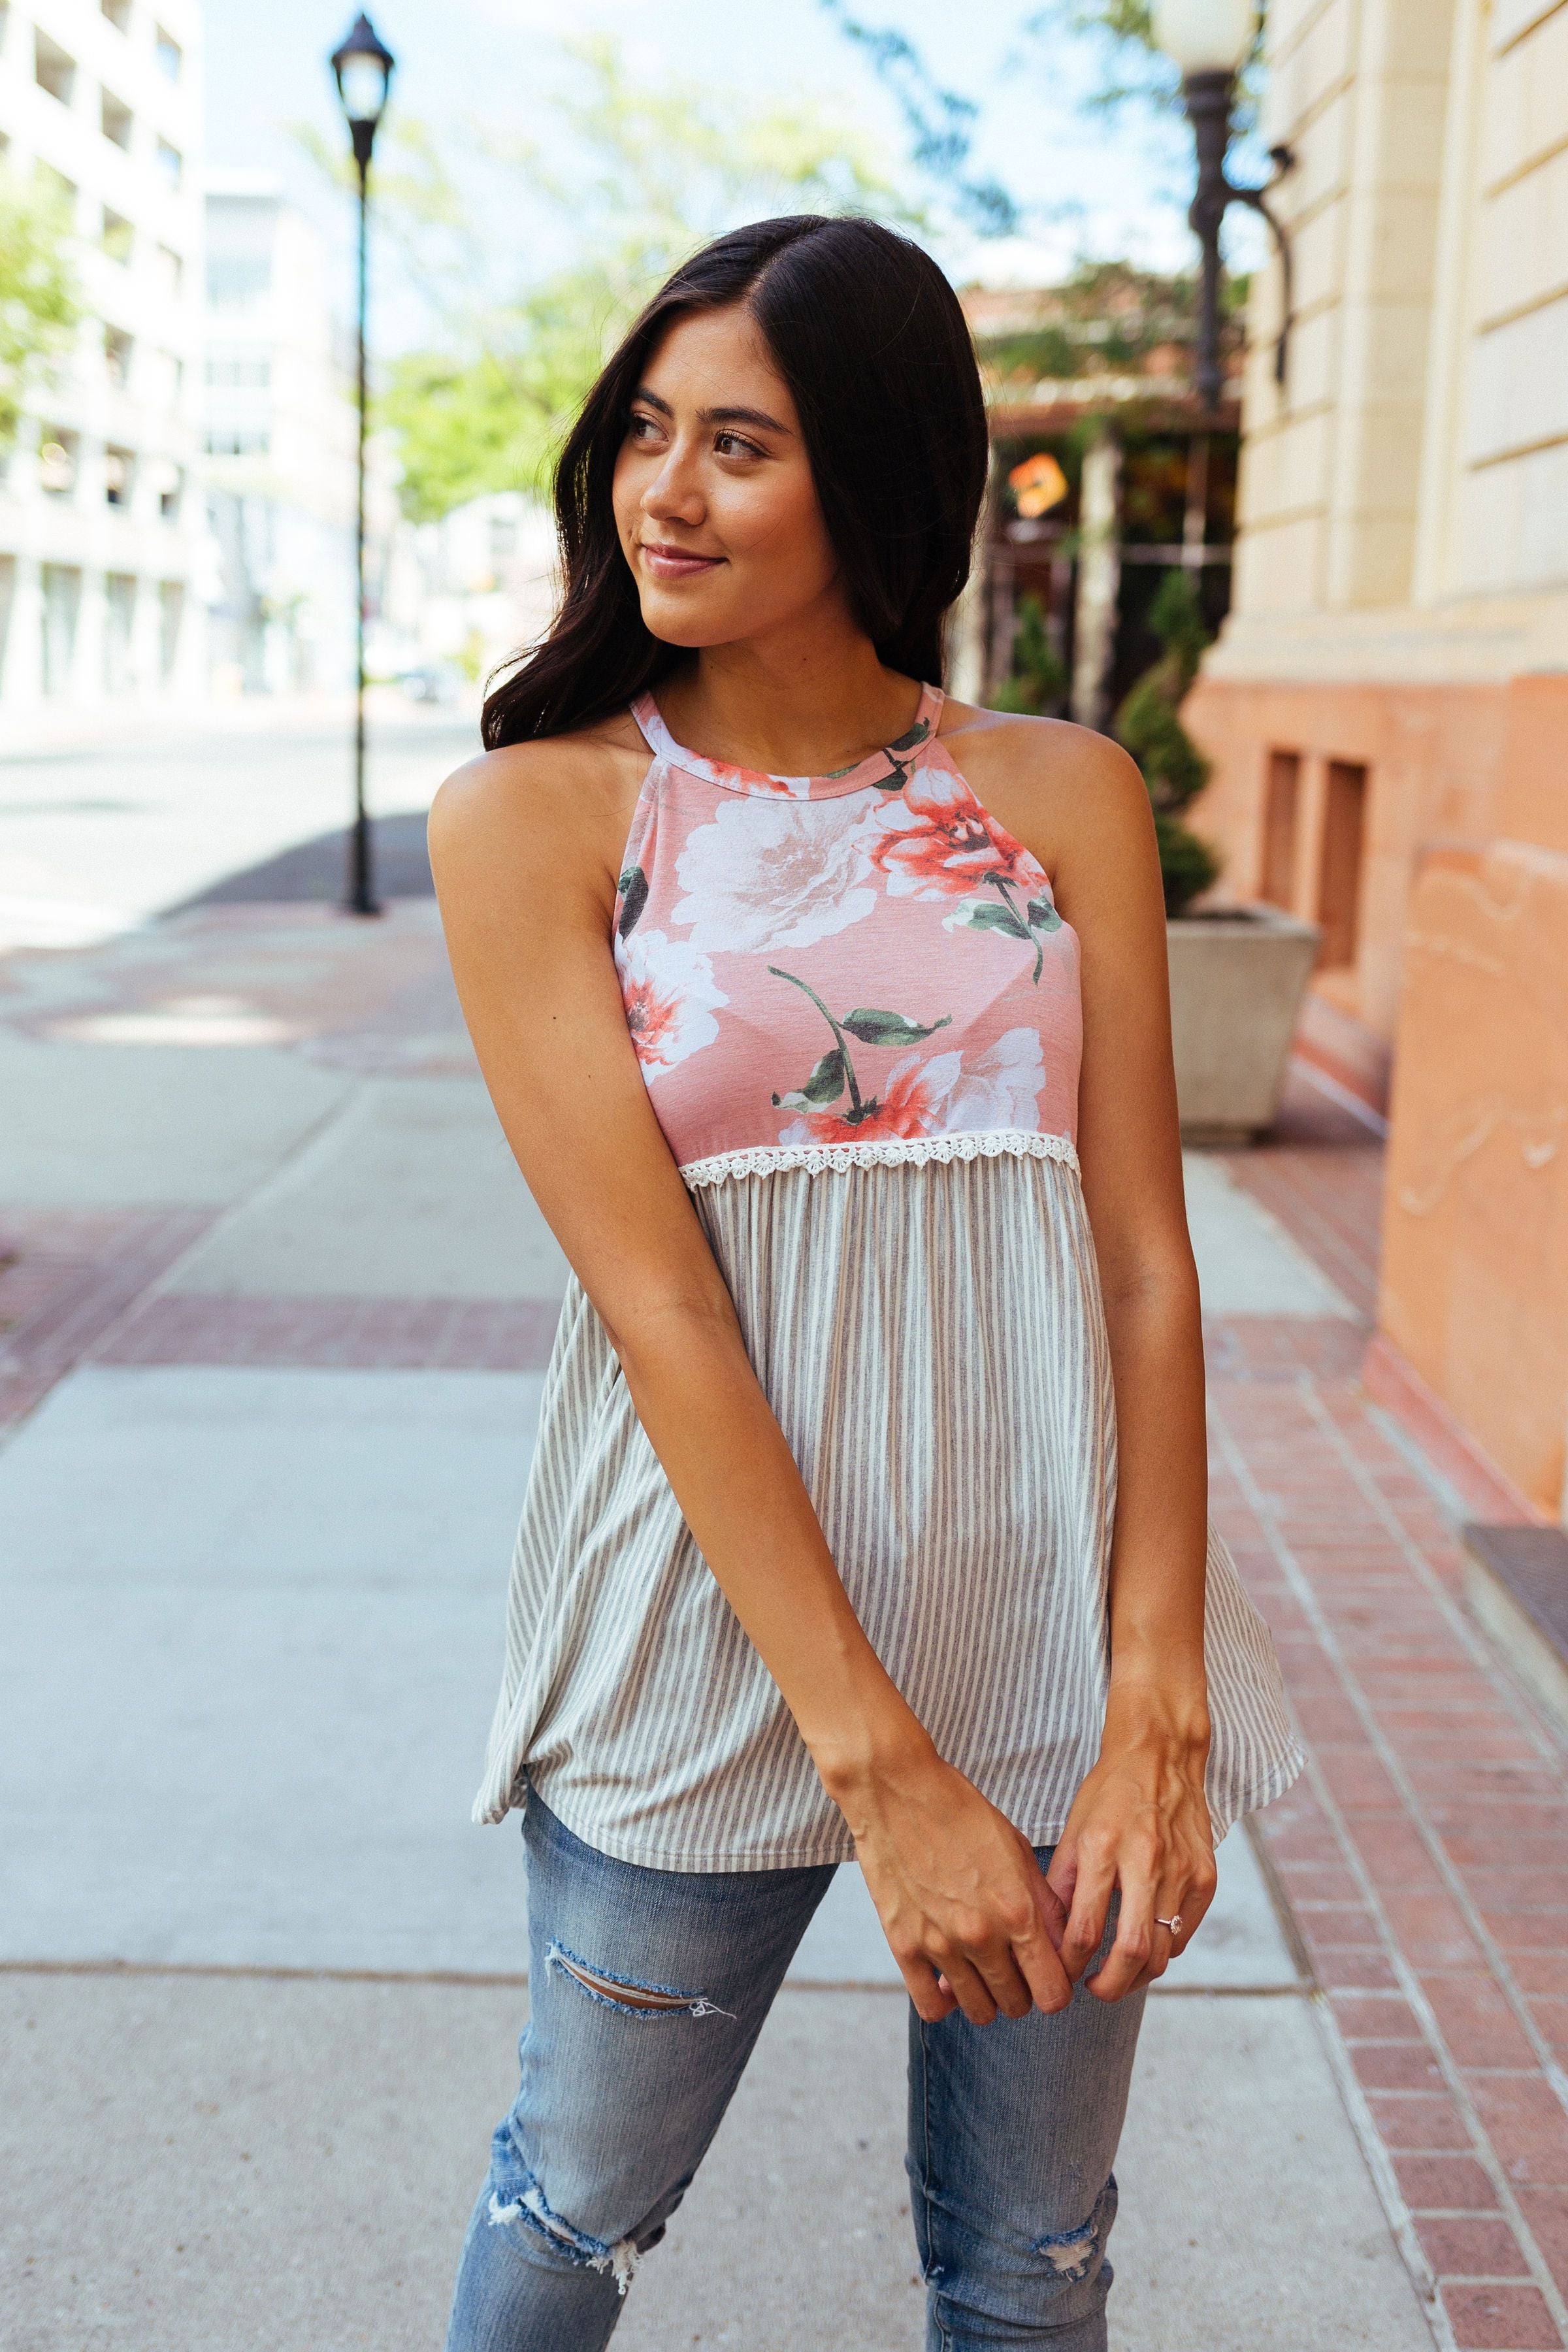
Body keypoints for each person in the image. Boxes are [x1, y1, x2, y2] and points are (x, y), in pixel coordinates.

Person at [429, 212, 1301, 2352]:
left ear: (880, 476)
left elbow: (1144, 1273)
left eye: (741, 441)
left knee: (1032, 2267)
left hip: (1041, 1633)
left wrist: (1155, 1691)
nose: (665, 487)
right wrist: (879, 1771)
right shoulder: (543, 818)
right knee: (574, 2221)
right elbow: (668, 1312)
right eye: (646, 429)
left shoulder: (1059, 796)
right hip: (706, 1648)